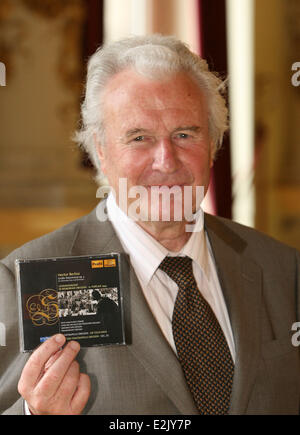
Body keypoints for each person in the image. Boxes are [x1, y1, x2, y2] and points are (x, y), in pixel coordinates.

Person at [0, 34, 299, 415]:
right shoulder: (27, 279)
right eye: (139, 137)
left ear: (213, 144)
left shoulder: (284, 270)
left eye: (185, 134)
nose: (166, 161)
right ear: (101, 151)